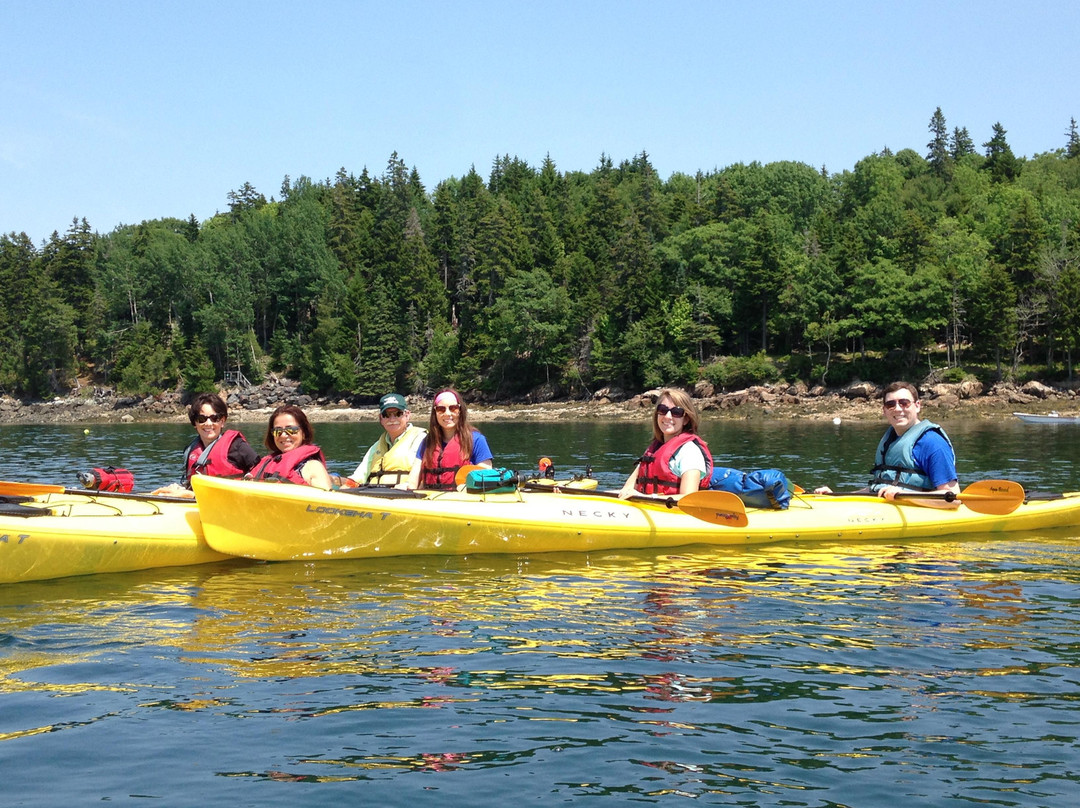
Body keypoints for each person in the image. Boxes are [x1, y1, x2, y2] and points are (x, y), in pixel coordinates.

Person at [814, 381, 960, 508]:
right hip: (888, 507)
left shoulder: (932, 443)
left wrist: (905, 495)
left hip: (918, 511)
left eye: (904, 403)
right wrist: (836, 497)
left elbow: (953, 499)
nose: (897, 408)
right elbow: (878, 488)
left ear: (917, 406)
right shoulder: (891, 440)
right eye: (891, 404)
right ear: (884, 411)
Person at [152, 392, 258, 496]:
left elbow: (260, 470)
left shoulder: (237, 447)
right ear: (195, 423)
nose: (208, 424)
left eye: (214, 418)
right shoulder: (191, 450)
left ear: (222, 421)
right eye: (201, 419)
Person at [619, 388, 714, 499]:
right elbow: (628, 488)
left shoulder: (690, 452)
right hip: (647, 508)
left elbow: (688, 498)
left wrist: (647, 498)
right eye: (662, 410)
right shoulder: (654, 450)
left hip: (674, 512)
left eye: (676, 412)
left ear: (686, 419)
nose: (668, 416)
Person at [406, 389, 493, 490]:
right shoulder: (427, 442)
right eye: (441, 409)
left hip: (462, 501)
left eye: (453, 408)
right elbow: (412, 482)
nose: (447, 413)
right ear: (435, 413)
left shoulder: (477, 440)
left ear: (460, 411)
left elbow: (487, 479)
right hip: (430, 500)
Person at [346, 392, 426, 487]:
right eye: (386, 415)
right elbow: (357, 478)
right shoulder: (376, 447)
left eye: (398, 413)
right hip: (376, 496)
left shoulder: (421, 439)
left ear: (407, 415)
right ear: (381, 419)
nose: (392, 419)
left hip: (407, 496)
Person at [247, 404, 334, 490]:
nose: (284, 435)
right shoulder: (266, 462)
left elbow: (327, 502)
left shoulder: (313, 467)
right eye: (278, 431)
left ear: (303, 433)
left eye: (291, 430)